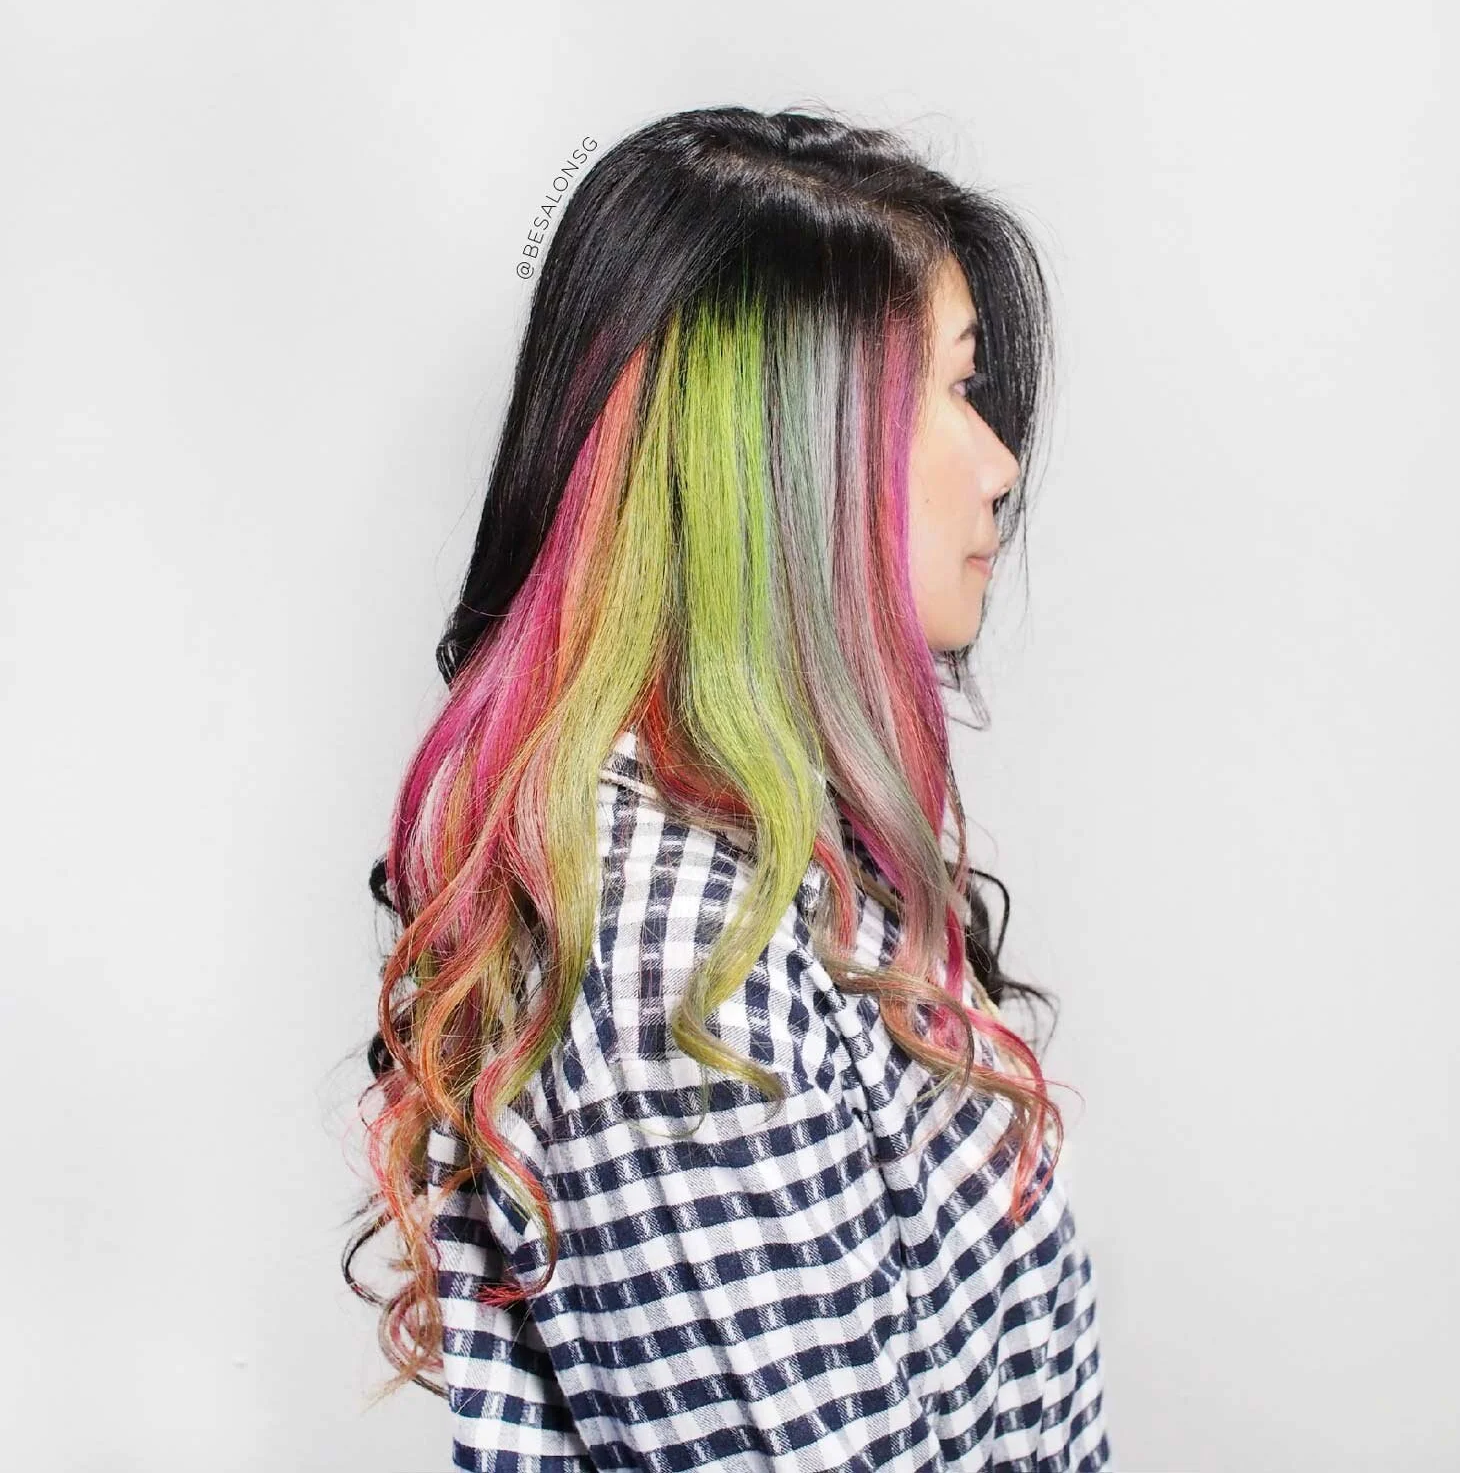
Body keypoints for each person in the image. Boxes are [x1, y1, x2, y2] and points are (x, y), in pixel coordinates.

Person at [344, 103, 1113, 1472]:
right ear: (786, 441)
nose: (1002, 466)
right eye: (955, 387)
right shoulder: (685, 969)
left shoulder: (769, 868)